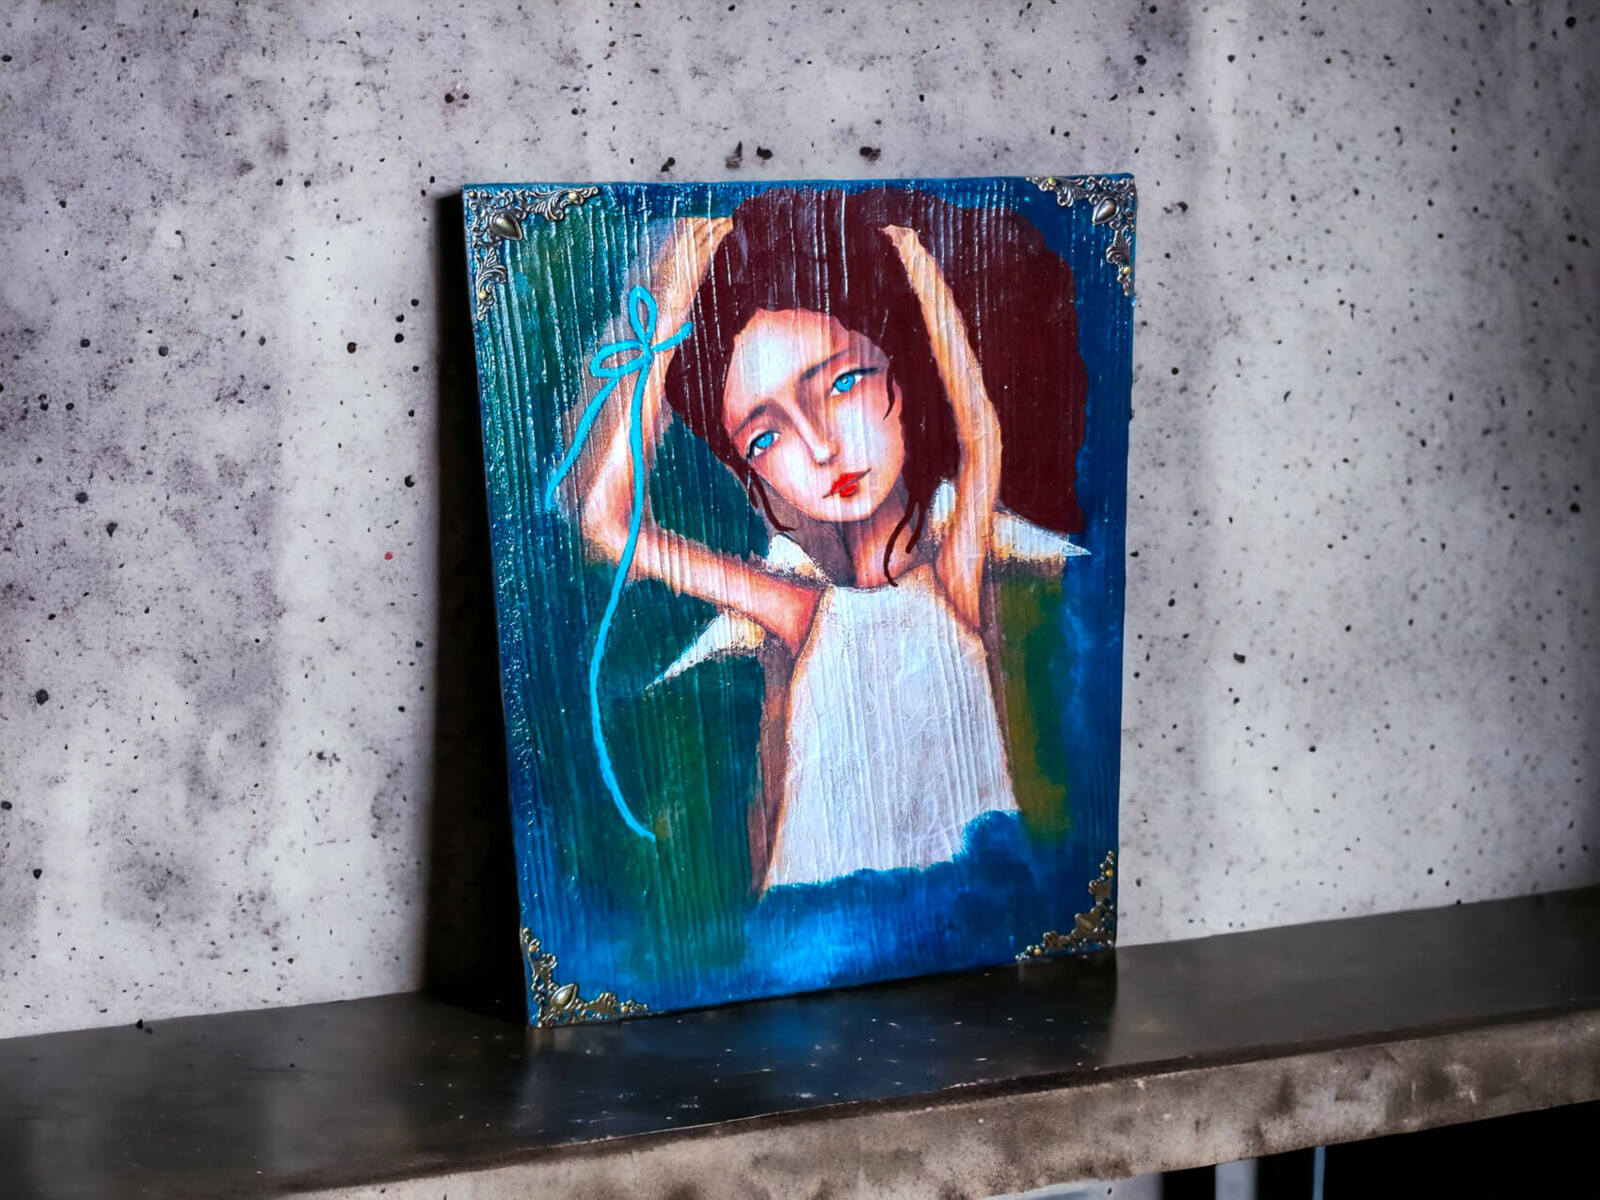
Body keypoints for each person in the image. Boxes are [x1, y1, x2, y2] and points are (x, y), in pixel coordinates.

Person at [559, 187, 1090, 892]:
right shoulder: (801, 612)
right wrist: (673, 300)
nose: (819, 446)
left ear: (902, 374)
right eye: (765, 436)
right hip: (820, 915)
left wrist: (916, 264)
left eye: (841, 383)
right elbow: (607, 523)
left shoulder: (951, 581)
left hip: (972, 901)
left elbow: (980, 434)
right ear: (756, 476)